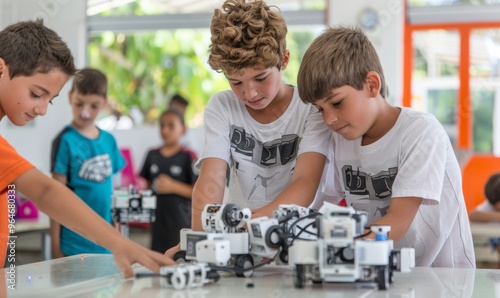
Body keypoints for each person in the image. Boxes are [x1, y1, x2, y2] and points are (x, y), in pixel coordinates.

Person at [0, 19, 173, 278]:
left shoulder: (107, 140)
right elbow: (46, 191)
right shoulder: (65, 140)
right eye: (37, 94)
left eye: (50, 99)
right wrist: (119, 242)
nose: (42, 109)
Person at [296, 26, 475, 268]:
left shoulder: (421, 131)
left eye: (337, 103)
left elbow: (397, 223)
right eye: (320, 110)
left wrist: (336, 245)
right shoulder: (340, 136)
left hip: (443, 279)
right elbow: (317, 204)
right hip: (381, 273)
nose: (329, 119)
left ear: (371, 85)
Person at [166, 0, 333, 257]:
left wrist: (245, 225)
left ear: (284, 60)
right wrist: (197, 239)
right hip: (241, 247)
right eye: (236, 82)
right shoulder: (223, 107)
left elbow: (305, 183)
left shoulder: (310, 107)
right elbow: (212, 178)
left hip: (299, 244)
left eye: (261, 78)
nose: (250, 92)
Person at [50, 68, 125, 258]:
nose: (85, 112)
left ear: (104, 104)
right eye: (79, 103)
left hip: (107, 244)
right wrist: (56, 247)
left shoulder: (109, 140)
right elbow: (55, 197)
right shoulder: (64, 140)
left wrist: (118, 237)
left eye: (94, 106)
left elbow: (115, 192)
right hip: (74, 244)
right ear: (70, 97)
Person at [139, 109, 198, 253]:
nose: (165, 130)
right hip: (157, 222)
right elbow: (145, 184)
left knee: (179, 256)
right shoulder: (151, 154)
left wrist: (173, 186)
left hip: (180, 222)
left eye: (171, 126)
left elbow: (197, 192)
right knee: (158, 258)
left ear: (182, 128)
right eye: (162, 126)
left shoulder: (188, 156)